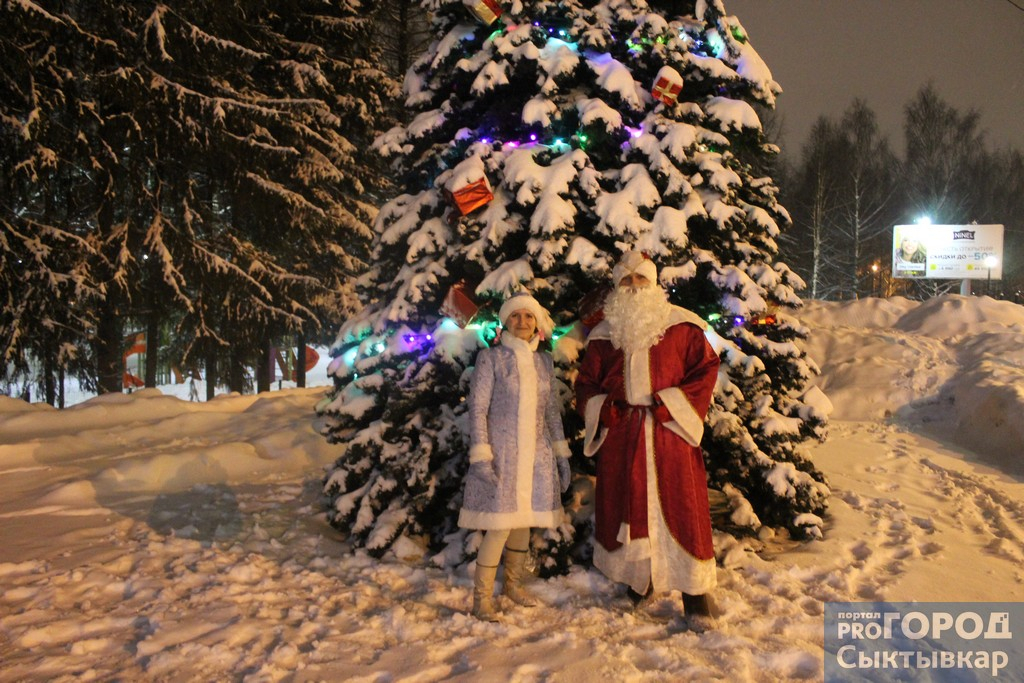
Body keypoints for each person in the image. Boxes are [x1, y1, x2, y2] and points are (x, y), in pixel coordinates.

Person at [574, 251, 721, 630]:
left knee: (681, 510)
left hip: (670, 434)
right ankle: (641, 582)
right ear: (617, 287)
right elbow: (586, 384)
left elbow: (705, 369)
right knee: (629, 505)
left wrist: (672, 404)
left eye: (641, 280)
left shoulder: (683, 327)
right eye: (627, 281)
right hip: (623, 435)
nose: (635, 288)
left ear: (655, 284)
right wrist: (605, 409)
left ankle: (695, 595)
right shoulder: (604, 335)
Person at [459, 292, 572, 620]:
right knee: (499, 526)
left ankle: (513, 585)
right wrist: (481, 455)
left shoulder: (544, 362)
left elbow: (551, 412)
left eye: (529, 316)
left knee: (523, 520)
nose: (522, 322)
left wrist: (561, 455)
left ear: (537, 324)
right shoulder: (491, 359)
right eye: (515, 316)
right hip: (502, 455)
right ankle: (482, 600)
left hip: (535, 456)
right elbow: (477, 408)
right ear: (505, 321)